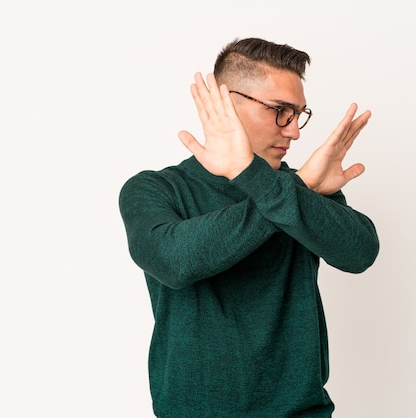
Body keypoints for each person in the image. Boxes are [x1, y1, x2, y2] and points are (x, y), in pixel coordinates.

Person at [119, 37, 379, 417]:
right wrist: (290, 187)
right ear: (226, 102)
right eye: (280, 111)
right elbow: (175, 262)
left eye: (299, 114)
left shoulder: (297, 189)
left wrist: (270, 182)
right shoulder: (155, 189)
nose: (294, 132)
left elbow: (360, 252)